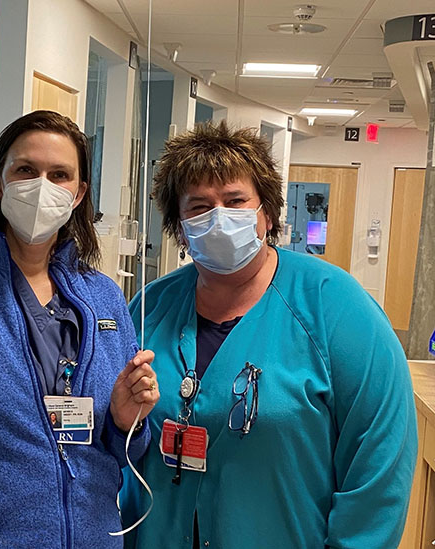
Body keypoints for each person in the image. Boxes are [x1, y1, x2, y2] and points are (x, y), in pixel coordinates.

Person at [121, 121, 417, 549]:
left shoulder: (335, 307)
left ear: (268, 213)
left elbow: (381, 460)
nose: (218, 218)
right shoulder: (151, 309)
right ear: (178, 227)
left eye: (236, 201)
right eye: (199, 207)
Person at [0, 110, 160, 548]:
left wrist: (125, 422)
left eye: (60, 175)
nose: (42, 187)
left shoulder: (104, 297)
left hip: (96, 535)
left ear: (78, 194)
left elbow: (128, 453)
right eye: (26, 170)